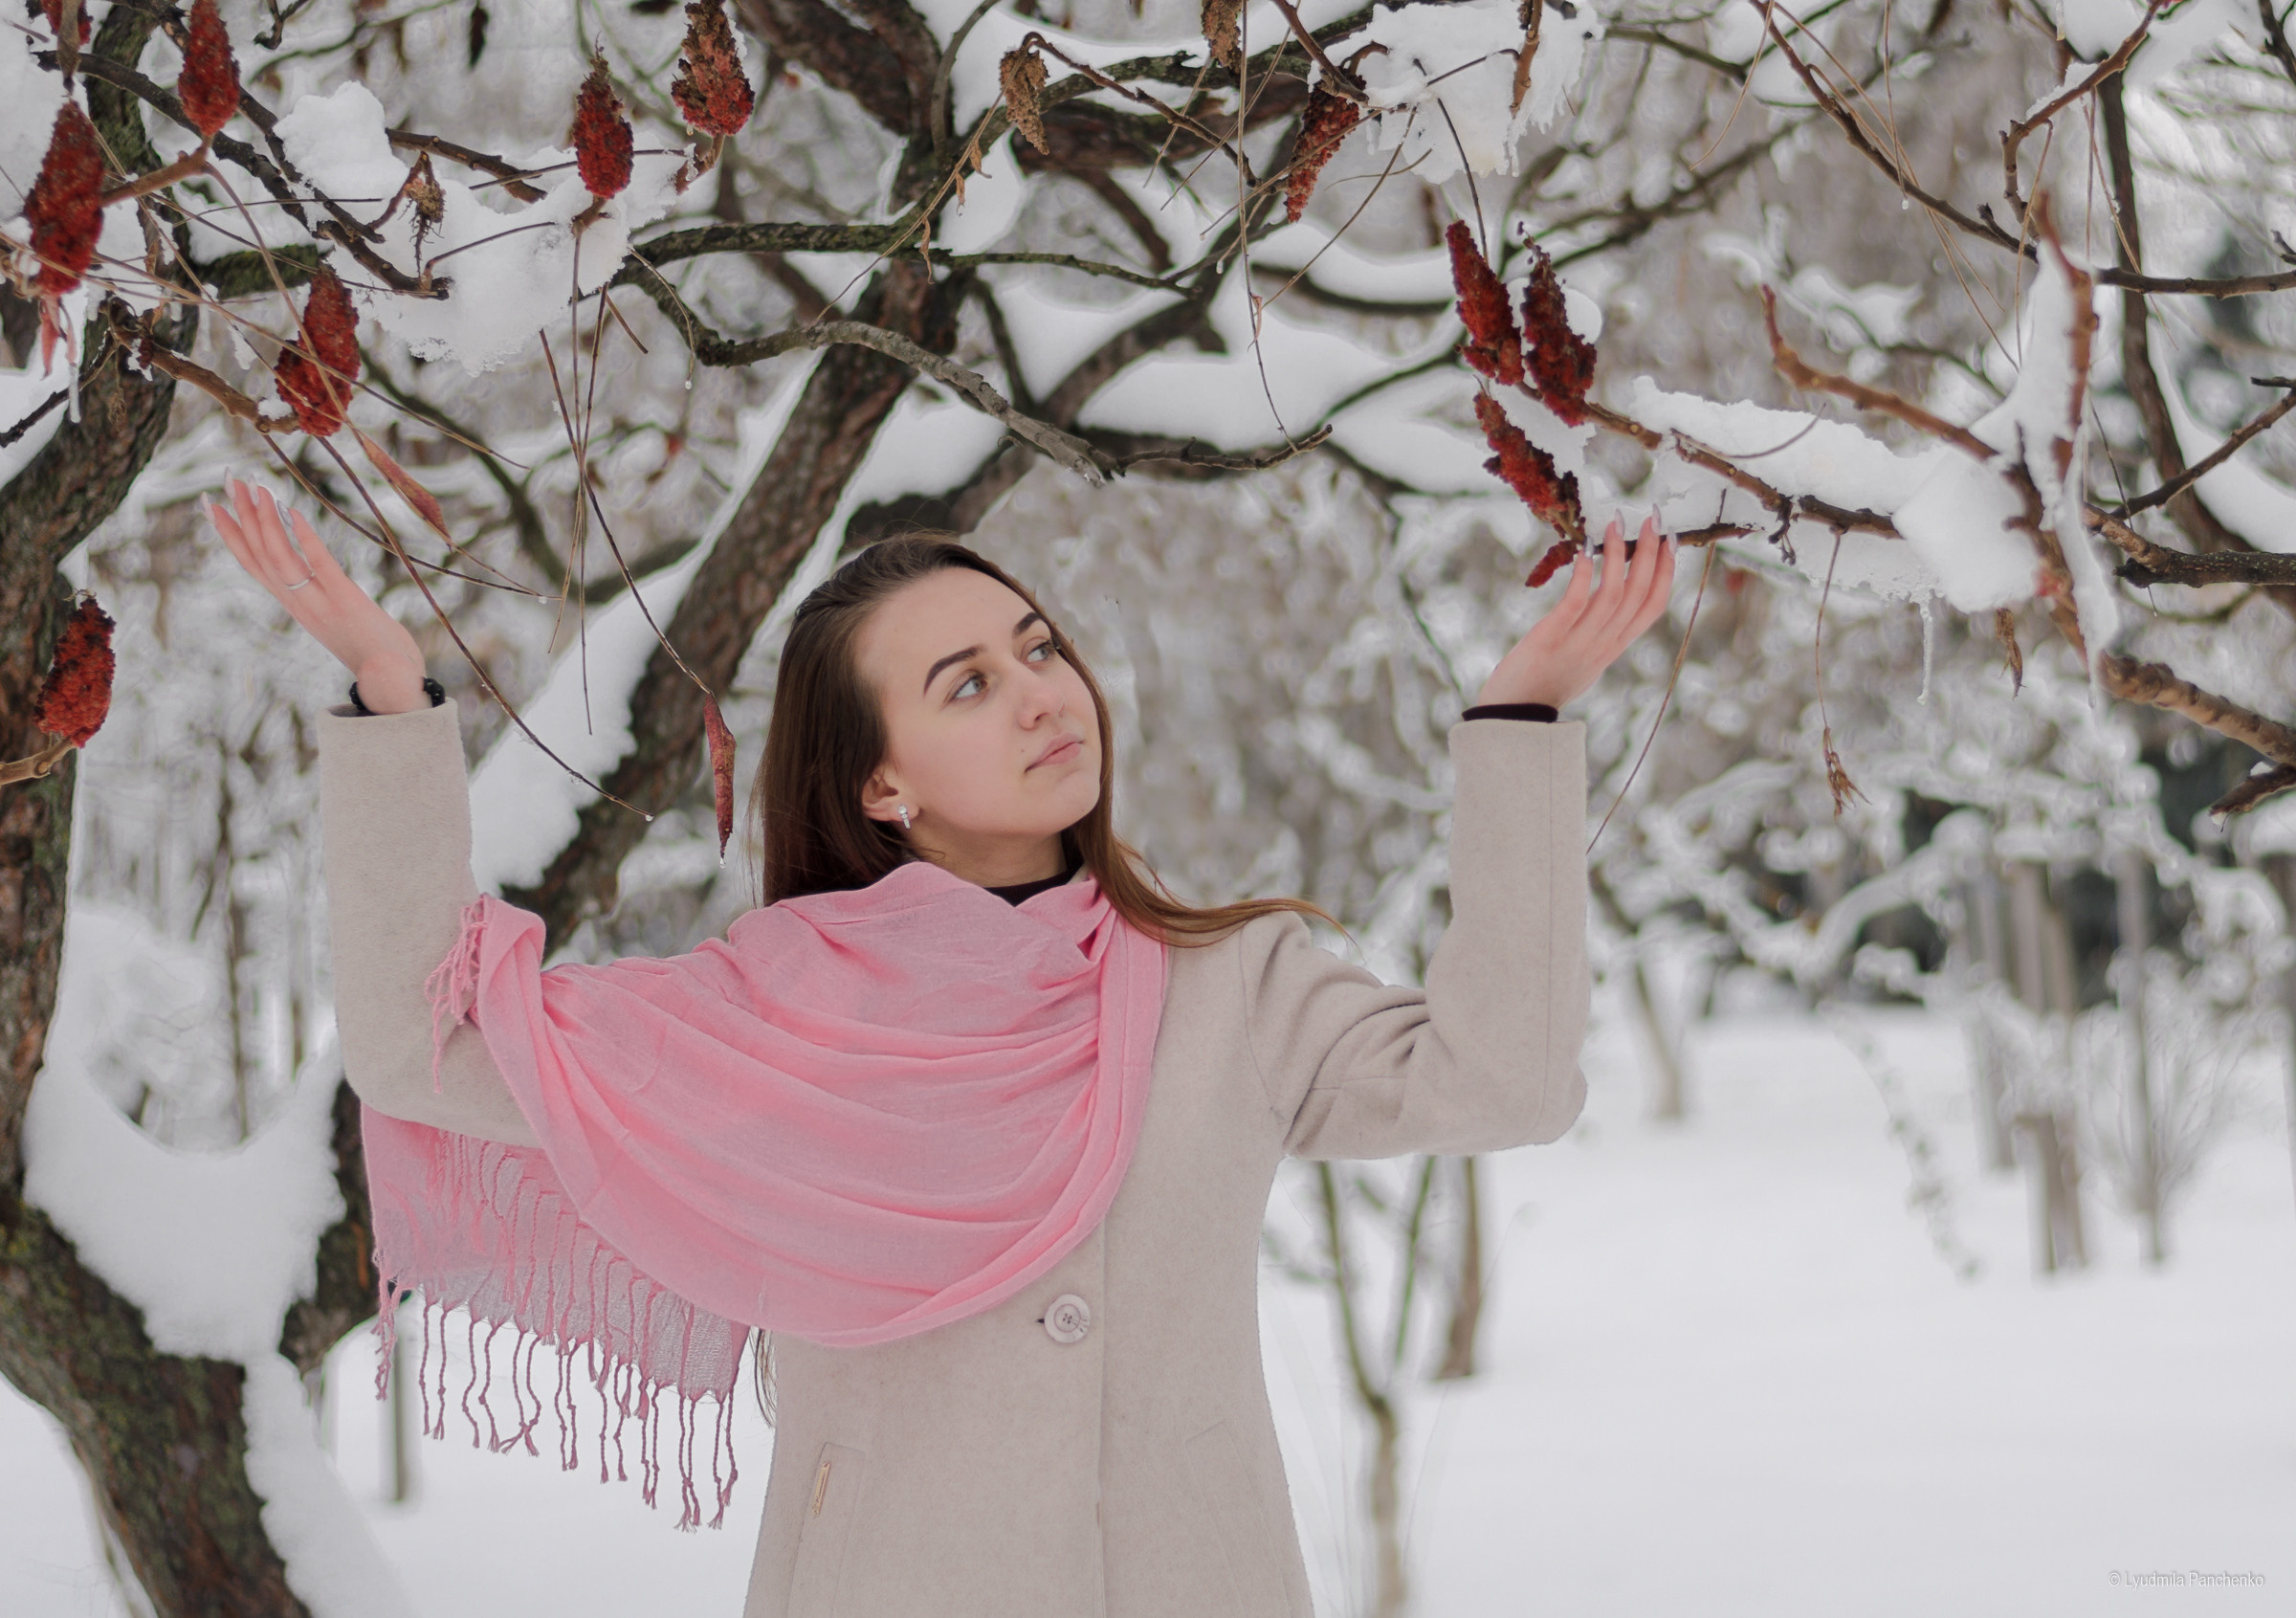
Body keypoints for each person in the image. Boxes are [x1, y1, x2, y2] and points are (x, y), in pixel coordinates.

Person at [207, 480, 1676, 1618]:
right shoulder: (774, 1019)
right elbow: (417, 1048)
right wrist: (391, 694)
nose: (1044, 691)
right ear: (882, 782)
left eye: (1037, 649)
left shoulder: (1233, 987)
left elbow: (1508, 1081)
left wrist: (1523, 719)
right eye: (968, 683)